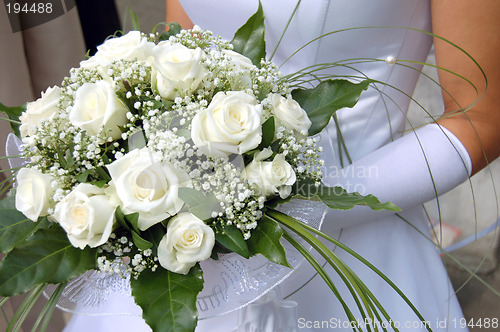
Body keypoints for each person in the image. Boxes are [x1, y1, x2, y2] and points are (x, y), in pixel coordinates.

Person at [64, 0, 500, 331]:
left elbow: (482, 117)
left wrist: (303, 206)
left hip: (355, 240)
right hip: (192, 233)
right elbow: (185, 46)